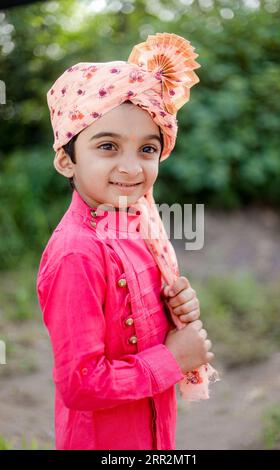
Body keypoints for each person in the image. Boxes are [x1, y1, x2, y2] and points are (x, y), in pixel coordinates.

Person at [36, 32, 215, 451]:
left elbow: (140, 324)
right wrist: (172, 360)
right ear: (67, 159)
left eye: (148, 148)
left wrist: (176, 310)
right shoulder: (76, 254)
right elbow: (79, 385)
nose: (132, 167)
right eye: (108, 146)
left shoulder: (135, 228)